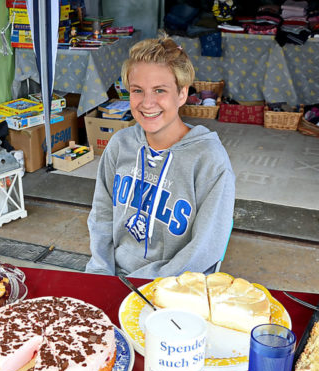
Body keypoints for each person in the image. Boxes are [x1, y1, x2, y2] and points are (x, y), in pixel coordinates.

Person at [85, 33, 235, 278]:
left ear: (182, 94)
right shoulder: (120, 145)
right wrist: (100, 272)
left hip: (176, 286)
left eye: (160, 90)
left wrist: (152, 285)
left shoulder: (208, 160)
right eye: (137, 90)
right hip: (114, 275)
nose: (147, 103)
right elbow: (101, 215)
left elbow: (205, 248)